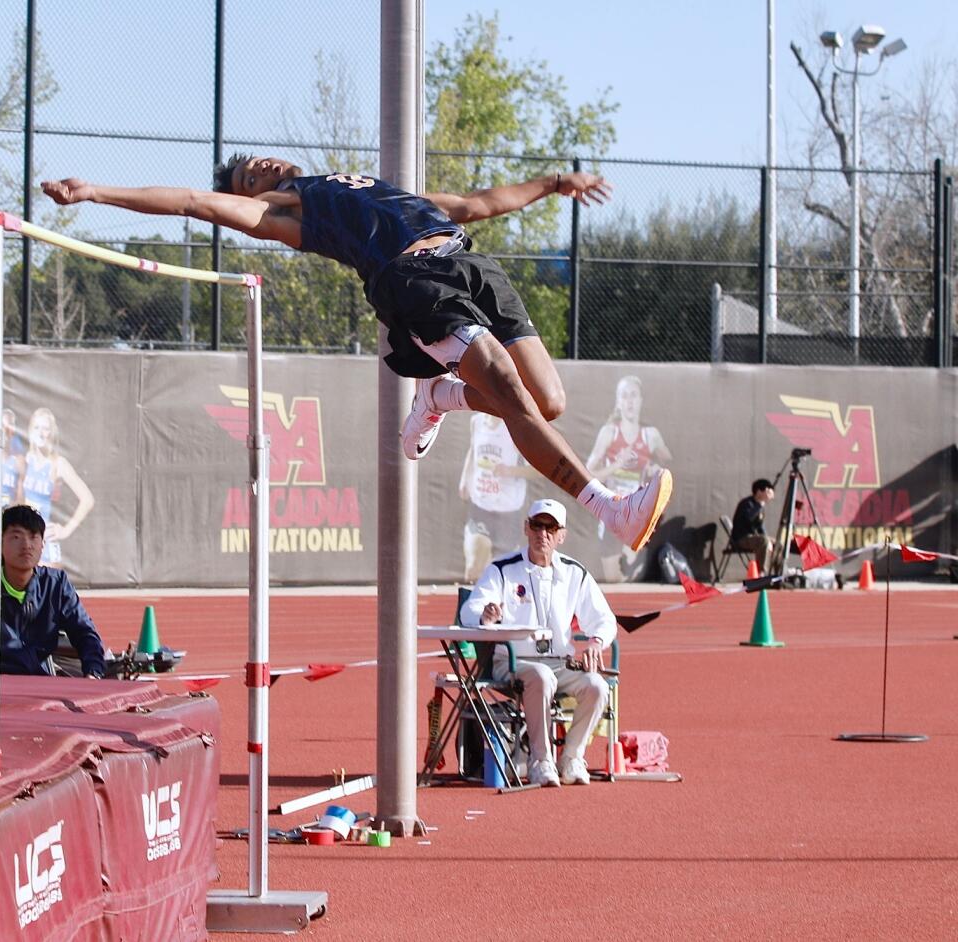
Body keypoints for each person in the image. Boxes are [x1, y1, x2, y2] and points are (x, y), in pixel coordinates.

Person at [41, 156, 672, 553]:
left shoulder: (368, 185)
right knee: (508, 391)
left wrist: (557, 183)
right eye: (249, 179)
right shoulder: (293, 214)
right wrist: (96, 191)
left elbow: (477, 206)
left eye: (257, 163)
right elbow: (193, 202)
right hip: (414, 283)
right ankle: (609, 510)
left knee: (546, 404)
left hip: (469, 261)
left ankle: (440, 394)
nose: (259, 169)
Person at [461, 498, 616, 787]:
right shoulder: (502, 568)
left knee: (597, 685)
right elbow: (469, 609)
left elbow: (604, 619)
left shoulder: (574, 572)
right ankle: (540, 760)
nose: (541, 533)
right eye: (536, 525)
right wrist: (485, 614)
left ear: (561, 535)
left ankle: (571, 756)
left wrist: (596, 640)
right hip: (512, 662)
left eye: (550, 527)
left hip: (561, 663)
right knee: (542, 677)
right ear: (526, 527)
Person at [0, 504, 106, 677]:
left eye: (33, 537)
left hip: (40, 684)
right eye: (16, 537)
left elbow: (85, 632)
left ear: (43, 544)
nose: (26, 545)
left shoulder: (56, 584)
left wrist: (94, 671)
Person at [585, 375, 673, 581]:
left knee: (632, 575)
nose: (629, 401)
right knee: (613, 579)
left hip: (638, 513)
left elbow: (671, 464)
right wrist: (617, 465)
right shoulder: (609, 433)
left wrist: (657, 470)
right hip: (613, 512)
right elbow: (588, 474)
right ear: (618, 402)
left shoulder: (651, 435)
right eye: (624, 396)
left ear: (641, 400)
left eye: (634, 395)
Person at [458, 414, 539, 583]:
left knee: (503, 577)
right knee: (473, 569)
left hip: (508, 513)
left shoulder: (514, 427)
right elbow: (473, 449)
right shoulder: (477, 421)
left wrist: (509, 471)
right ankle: (468, 608)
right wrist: (465, 479)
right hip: (480, 506)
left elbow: (537, 470)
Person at [21, 407, 95, 566]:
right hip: (24, 537)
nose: (41, 433)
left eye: (45, 429)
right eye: (37, 428)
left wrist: (67, 529)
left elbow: (87, 498)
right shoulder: (24, 460)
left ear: (52, 433)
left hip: (46, 540)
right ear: (30, 430)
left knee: (48, 587)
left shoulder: (58, 464)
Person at [731, 478, 777, 575]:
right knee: (763, 541)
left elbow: (760, 527)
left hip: (753, 538)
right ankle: (761, 573)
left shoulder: (760, 506)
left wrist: (769, 540)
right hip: (741, 538)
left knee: (778, 544)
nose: (770, 494)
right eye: (767, 491)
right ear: (759, 491)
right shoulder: (747, 504)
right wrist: (760, 505)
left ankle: (777, 574)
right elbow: (749, 519)